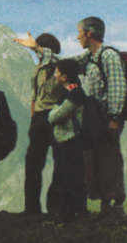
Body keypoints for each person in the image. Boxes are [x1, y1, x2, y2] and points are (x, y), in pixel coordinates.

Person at [15, 17, 127, 224]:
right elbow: (66, 65)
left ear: (89, 34)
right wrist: (38, 49)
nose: (77, 36)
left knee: (109, 160)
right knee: (96, 160)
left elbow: (117, 87)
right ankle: (105, 207)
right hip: (95, 119)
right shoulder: (90, 57)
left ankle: (117, 208)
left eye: (79, 32)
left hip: (107, 118)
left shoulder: (108, 55)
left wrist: (114, 118)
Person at [14, 33, 65, 215]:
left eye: (39, 50)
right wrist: (34, 118)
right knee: (33, 163)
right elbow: (34, 97)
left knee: (61, 163)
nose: (37, 54)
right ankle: (31, 208)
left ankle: (55, 206)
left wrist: (37, 48)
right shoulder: (37, 69)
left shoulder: (60, 66)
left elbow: (52, 56)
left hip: (58, 117)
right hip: (40, 119)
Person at [48, 60, 89, 223]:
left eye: (57, 73)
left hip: (70, 141)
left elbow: (53, 117)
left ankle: (81, 213)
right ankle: (68, 213)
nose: (55, 75)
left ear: (64, 77)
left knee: (73, 178)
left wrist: (57, 112)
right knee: (65, 177)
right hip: (64, 141)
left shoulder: (74, 95)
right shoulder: (70, 93)